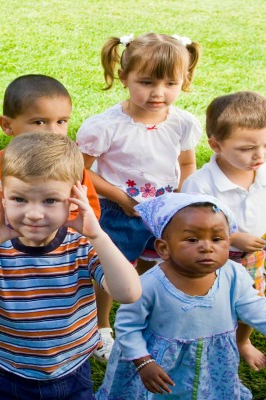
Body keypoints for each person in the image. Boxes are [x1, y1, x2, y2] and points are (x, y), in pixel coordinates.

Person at [0, 133, 141, 399]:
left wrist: (98, 236)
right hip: (3, 373)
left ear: (75, 197)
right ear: (2, 196)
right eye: (19, 199)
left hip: (72, 372)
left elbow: (128, 293)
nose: (34, 213)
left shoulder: (83, 245)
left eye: (50, 200)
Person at [96, 193, 266, 399]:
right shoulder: (149, 284)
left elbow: (261, 311)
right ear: (163, 248)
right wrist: (143, 361)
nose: (207, 246)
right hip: (156, 369)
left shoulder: (233, 275)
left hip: (211, 365)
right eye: (192, 239)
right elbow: (128, 326)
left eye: (217, 239)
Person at [0, 74, 114, 362]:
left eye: (61, 121)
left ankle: (91, 332)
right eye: (39, 121)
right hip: (8, 261)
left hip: (60, 257)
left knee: (59, 306)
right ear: (7, 125)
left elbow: (87, 211)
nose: (52, 131)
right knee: (19, 307)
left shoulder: (70, 166)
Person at [182, 91, 266, 371]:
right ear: (216, 145)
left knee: (251, 301)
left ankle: (242, 341)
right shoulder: (200, 184)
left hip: (252, 257)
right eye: (247, 148)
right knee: (206, 304)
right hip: (209, 257)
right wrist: (234, 238)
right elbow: (193, 229)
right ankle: (201, 344)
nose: (260, 155)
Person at [76, 33, 202, 272]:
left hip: (165, 209)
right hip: (118, 213)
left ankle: (142, 307)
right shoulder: (105, 126)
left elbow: (186, 164)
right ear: (124, 78)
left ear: (184, 80)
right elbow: (77, 169)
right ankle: (101, 312)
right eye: (147, 82)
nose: (158, 93)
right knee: (110, 270)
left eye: (170, 84)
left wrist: (180, 200)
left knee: (156, 265)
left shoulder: (183, 123)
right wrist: (123, 200)